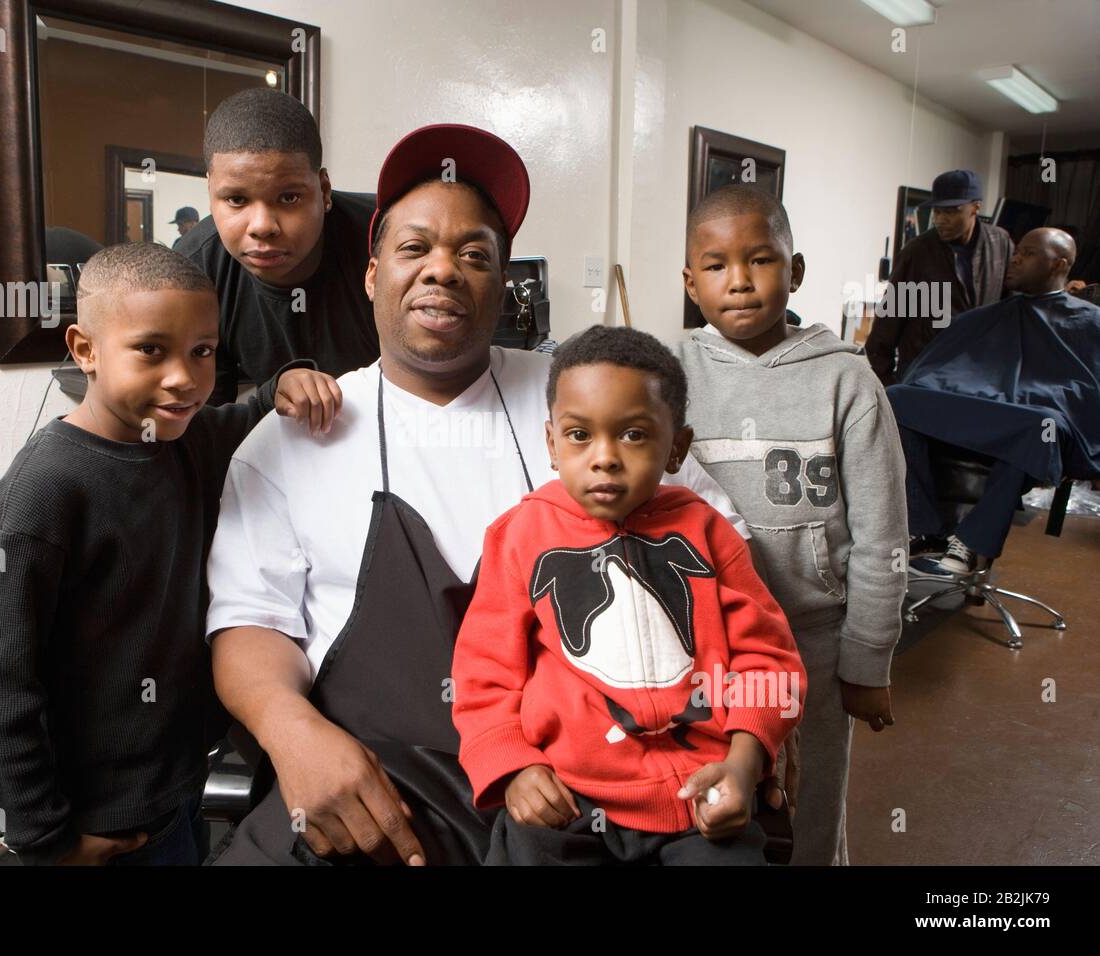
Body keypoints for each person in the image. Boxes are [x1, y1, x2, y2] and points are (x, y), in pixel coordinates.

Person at [203, 124, 772, 867]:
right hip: (390, 778)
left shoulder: (588, 397)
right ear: (371, 276)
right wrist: (292, 733)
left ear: (504, 285)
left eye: (475, 255)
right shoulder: (291, 440)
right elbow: (251, 623)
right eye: (414, 249)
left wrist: (748, 735)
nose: (443, 271)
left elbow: (724, 557)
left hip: (594, 782)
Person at [0, 243, 341, 865]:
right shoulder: (40, 498)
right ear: (85, 351)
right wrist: (47, 841)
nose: (184, 377)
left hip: (178, 787)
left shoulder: (186, 440)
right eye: (151, 350)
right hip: (97, 826)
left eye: (203, 351)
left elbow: (252, 411)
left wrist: (287, 383)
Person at [451, 325, 806, 866]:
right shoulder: (520, 536)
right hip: (569, 796)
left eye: (634, 435)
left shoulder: (709, 534)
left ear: (676, 448)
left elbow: (768, 661)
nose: (604, 458)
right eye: (579, 436)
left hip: (699, 797)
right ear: (551, 444)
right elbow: (484, 673)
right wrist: (513, 766)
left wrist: (745, 762)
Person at [677, 185, 907, 865]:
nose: (739, 281)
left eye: (761, 260)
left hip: (815, 643)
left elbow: (882, 537)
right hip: (703, 648)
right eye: (715, 266)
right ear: (690, 283)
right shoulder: (666, 374)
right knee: (716, 812)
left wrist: (868, 658)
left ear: (796, 271)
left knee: (809, 814)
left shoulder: (847, 382)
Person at [892, 228, 1100, 576]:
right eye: (1017, 251)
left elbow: (1088, 393)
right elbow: (936, 371)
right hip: (981, 418)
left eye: (1029, 253)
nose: (1016, 258)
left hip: (1032, 429)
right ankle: (925, 527)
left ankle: (972, 543)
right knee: (897, 398)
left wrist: (1029, 398)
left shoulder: (1089, 323)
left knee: (1040, 425)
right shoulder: (985, 318)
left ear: (1059, 263)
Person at [176, 89, 380, 403]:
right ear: (210, 193)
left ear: (324, 191)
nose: (262, 227)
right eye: (236, 200)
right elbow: (207, 424)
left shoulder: (391, 238)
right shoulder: (195, 271)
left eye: (288, 198)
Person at [866, 169, 1014, 385]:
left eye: (952, 211)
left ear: (976, 207)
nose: (940, 220)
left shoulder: (1000, 243)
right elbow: (888, 322)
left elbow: (1009, 307)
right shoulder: (918, 251)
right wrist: (890, 384)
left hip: (978, 373)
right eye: (937, 211)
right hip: (926, 375)